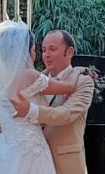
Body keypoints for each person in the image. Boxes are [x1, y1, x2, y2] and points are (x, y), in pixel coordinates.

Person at [0, 20, 77, 174]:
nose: (35, 54)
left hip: (5, 147)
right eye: (33, 50)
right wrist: (82, 72)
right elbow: (68, 87)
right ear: (23, 52)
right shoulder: (29, 75)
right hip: (29, 148)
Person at [11, 29, 95, 174]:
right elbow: (5, 120)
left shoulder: (83, 81)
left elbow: (67, 114)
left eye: (52, 49)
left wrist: (30, 111)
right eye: (43, 50)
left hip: (66, 164)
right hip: (30, 160)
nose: (46, 55)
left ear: (69, 52)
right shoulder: (32, 79)